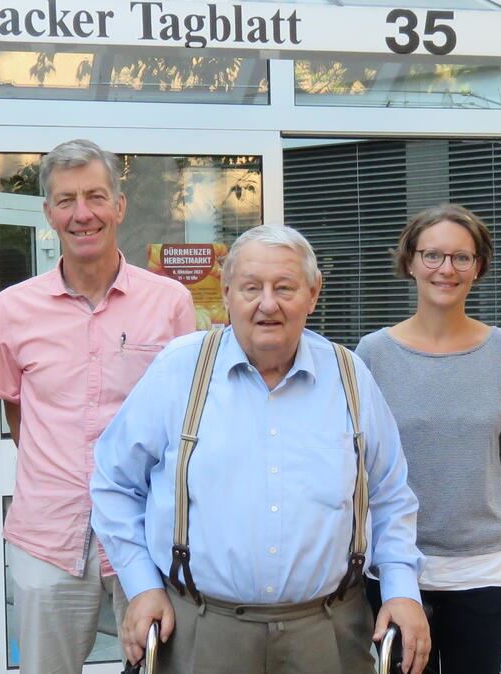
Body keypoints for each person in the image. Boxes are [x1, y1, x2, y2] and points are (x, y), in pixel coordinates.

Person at [91, 224, 431, 674]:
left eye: (285, 287)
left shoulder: (350, 375)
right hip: (199, 632)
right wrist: (142, 585)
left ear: (313, 294)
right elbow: (114, 482)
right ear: (228, 293)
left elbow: (390, 494)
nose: (267, 303)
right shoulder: (180, 369)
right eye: (251, 287)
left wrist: (401, 588)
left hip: (327, 633)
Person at [0, 138, 196, 673]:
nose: (83, 214)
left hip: (149, 534)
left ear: (119, 207)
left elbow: (184, 414)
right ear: (48, 214)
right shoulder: (12, 309)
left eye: (96, 197)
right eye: (66, 200)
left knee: (158, 668)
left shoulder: (169, 303)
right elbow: (18, 411)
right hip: (49, 533)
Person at [355, 204, 501, 674]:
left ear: (478, 267)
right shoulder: (373, 352)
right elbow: (361, 454)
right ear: (410, 261)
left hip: (481, 568)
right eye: (432, 255)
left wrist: (486, 508)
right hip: (396, 568)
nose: (446, 269)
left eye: (461, 257)